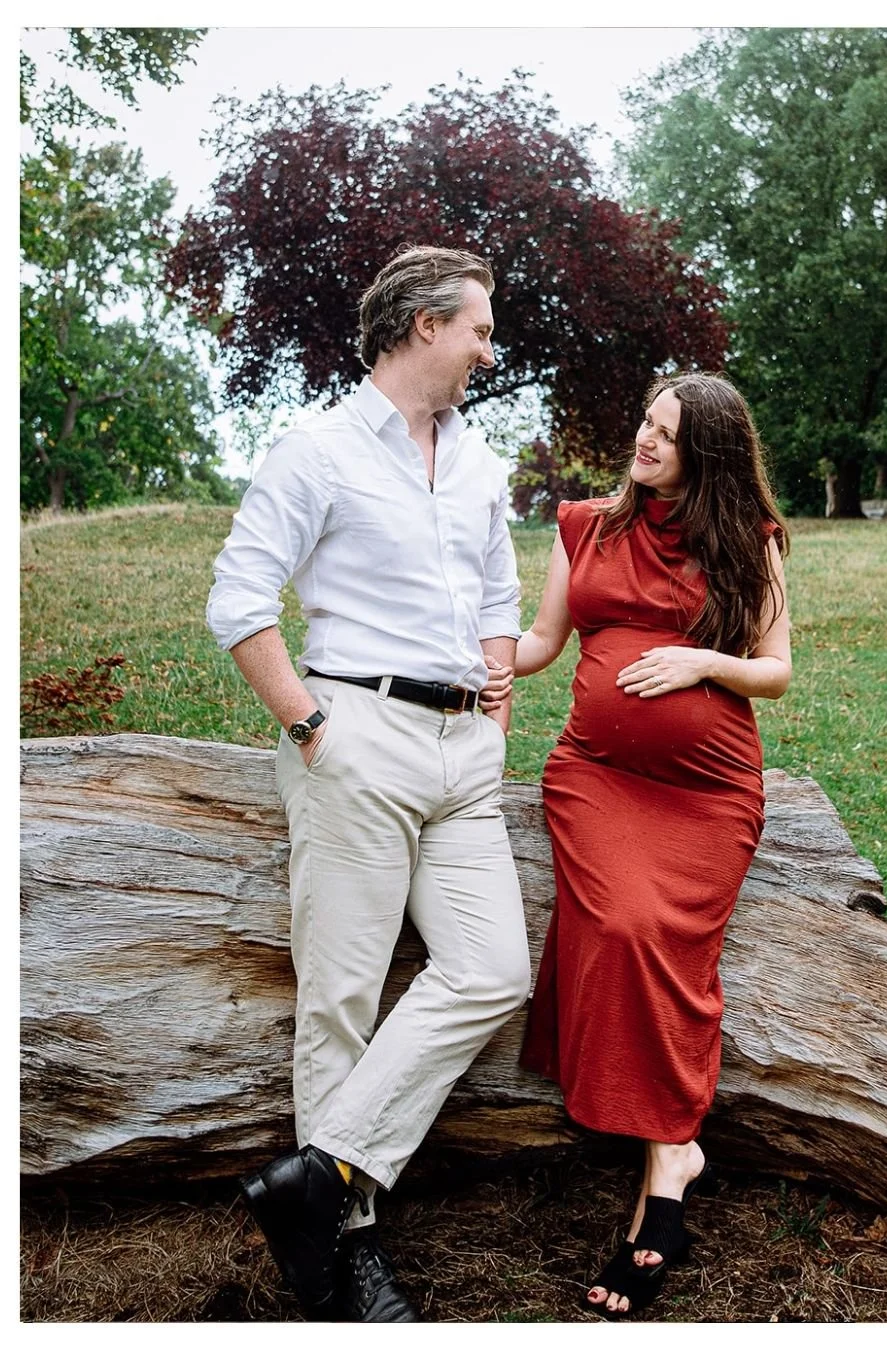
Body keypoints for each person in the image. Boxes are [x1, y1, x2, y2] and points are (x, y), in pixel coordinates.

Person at [205, 244, 530, 1323]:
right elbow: (238, 598)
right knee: (340, 998)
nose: (489, 350)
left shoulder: (478, 464)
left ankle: (319, 1177)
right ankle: (347, 1254)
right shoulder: (319, 450)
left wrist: (495, 720)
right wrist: (310, 729)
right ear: (425, 325)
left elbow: (499, 598)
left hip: (463, 754)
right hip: (356, 734)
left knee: (492, 969)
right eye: (479, 329)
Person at [483, 372, 791, 1319]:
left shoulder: (747, 539)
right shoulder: (585, 526)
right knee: (622, 923)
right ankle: (671, 1163)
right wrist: (477, 659)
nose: (645, 442)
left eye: (667, 433)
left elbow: (776, 671)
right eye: (646, 423)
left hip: (709, 791)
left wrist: (703, 660)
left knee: (665, 936)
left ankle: (666, 1163)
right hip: (598, 779)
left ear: (709, 455)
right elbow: (543, 641)